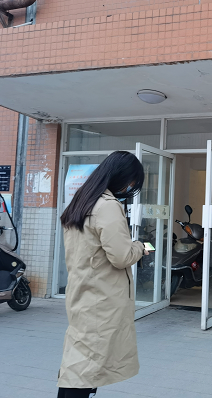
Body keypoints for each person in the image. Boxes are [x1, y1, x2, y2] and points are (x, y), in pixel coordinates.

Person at [57, 151, 148, 398]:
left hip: (83, 291)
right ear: (122, 177)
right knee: (86, 369)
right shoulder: (107, 207)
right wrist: (140, 246)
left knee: (77, 362)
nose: (131, 188)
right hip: (102, 298)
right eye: (132, 182)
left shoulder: (81, 202)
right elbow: (121, 256)